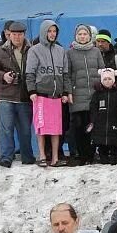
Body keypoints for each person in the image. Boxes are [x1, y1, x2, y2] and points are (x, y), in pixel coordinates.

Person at [0, 21, 36, 168]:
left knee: (25, 129)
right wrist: (4, 76)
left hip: (24, 95)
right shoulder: (0, 50)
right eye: (14, 34)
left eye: (20, 34)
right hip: (6, 95)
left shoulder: (32, 50)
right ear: (8, 35)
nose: (17, 37)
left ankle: (27, 156)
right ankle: (6, 157)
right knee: (6, 129)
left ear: (24, 35)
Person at [25, 20, 72, 167]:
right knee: (41, 125)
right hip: (41, 94)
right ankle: (42, 155)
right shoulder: (34, 50)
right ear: (44, 32)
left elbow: (65, 74)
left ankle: (55, 158)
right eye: (49, 31)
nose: (52, 34)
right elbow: (30, 73)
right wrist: (32, 90)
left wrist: (66, 91)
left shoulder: (61, 50)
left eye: (54, 31)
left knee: (55, 128)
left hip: (56, 96)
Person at [66, 24, 105, 166]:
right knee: (79, 126)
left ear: (90, 36)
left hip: (94, 95)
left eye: (85, 34)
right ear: (76, 36)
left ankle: (92, 154)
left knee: (93, 125)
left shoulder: (96, 51)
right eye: (80, 34)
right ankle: (82, 155)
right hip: (77, 96)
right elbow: (67, 75)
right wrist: (69, 91)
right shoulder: (69, 53)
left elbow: (102, 71)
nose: (82, 36)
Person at [90, 67, 117, 163]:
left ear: (113, 80)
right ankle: (103, 155)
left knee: (114, 139)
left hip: (114, 120)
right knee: (101, 140)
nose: (107, 81)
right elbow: (93, 106)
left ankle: (114, 155)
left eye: (109, 79)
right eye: (105, 79)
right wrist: (94, 119)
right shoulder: (97, 94)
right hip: (100, 122)